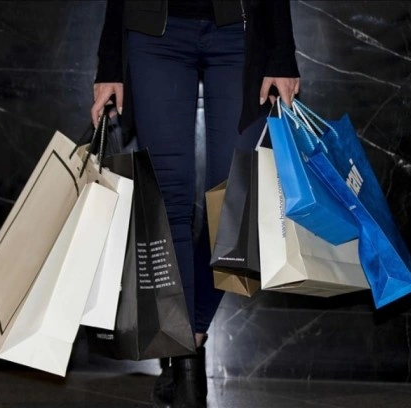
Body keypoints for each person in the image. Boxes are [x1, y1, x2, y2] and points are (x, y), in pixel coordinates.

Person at [91, 1, 300, 407]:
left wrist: (282, 54)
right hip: (155, 30)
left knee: (237, 199)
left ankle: (191, 333)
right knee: (168, 200)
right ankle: (188, 374)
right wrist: (110, 64)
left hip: (239, 28)